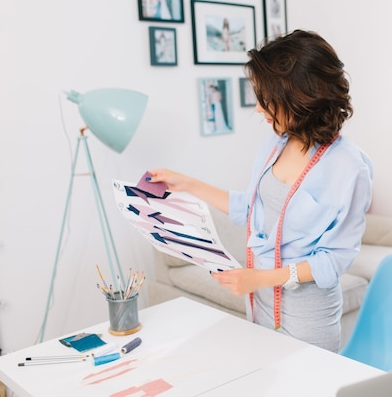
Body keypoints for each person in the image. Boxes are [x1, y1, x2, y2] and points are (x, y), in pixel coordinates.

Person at [148, 30, 373, 352]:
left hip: (307, 313)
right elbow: (254, 209)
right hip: (260, 300)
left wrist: (260, 278)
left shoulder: (350, 168)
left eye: (265, 98)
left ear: (299, 97)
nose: (257, 108)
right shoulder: (275, 142)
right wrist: (187, 184)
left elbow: (335, 259)